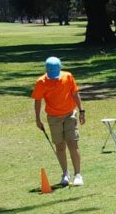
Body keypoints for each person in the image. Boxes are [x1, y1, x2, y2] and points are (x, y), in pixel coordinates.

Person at [32, 56, 86, 186]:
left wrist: (82, 111)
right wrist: (38, 119)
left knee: (73, 144)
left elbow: (75, 93)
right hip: (53, 117)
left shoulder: (68, 76)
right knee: (60, 146)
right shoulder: (41, 82)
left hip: (69, 114)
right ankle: (65, 174)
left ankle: (78, 174)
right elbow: (37, 101)